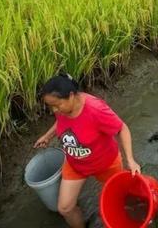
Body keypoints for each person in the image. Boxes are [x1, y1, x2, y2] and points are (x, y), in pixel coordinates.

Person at [34, 73, 140, 228]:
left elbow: (122, 129)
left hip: (106, 163)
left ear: (71, 96)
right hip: (75, 164)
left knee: (119, 201)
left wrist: (130, 159)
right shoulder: (62, 110)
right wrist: (48, 136)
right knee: (65, 208)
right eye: (51, 106)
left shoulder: (96, 110)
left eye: (56, 105)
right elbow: (61, 121)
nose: (54, 110)